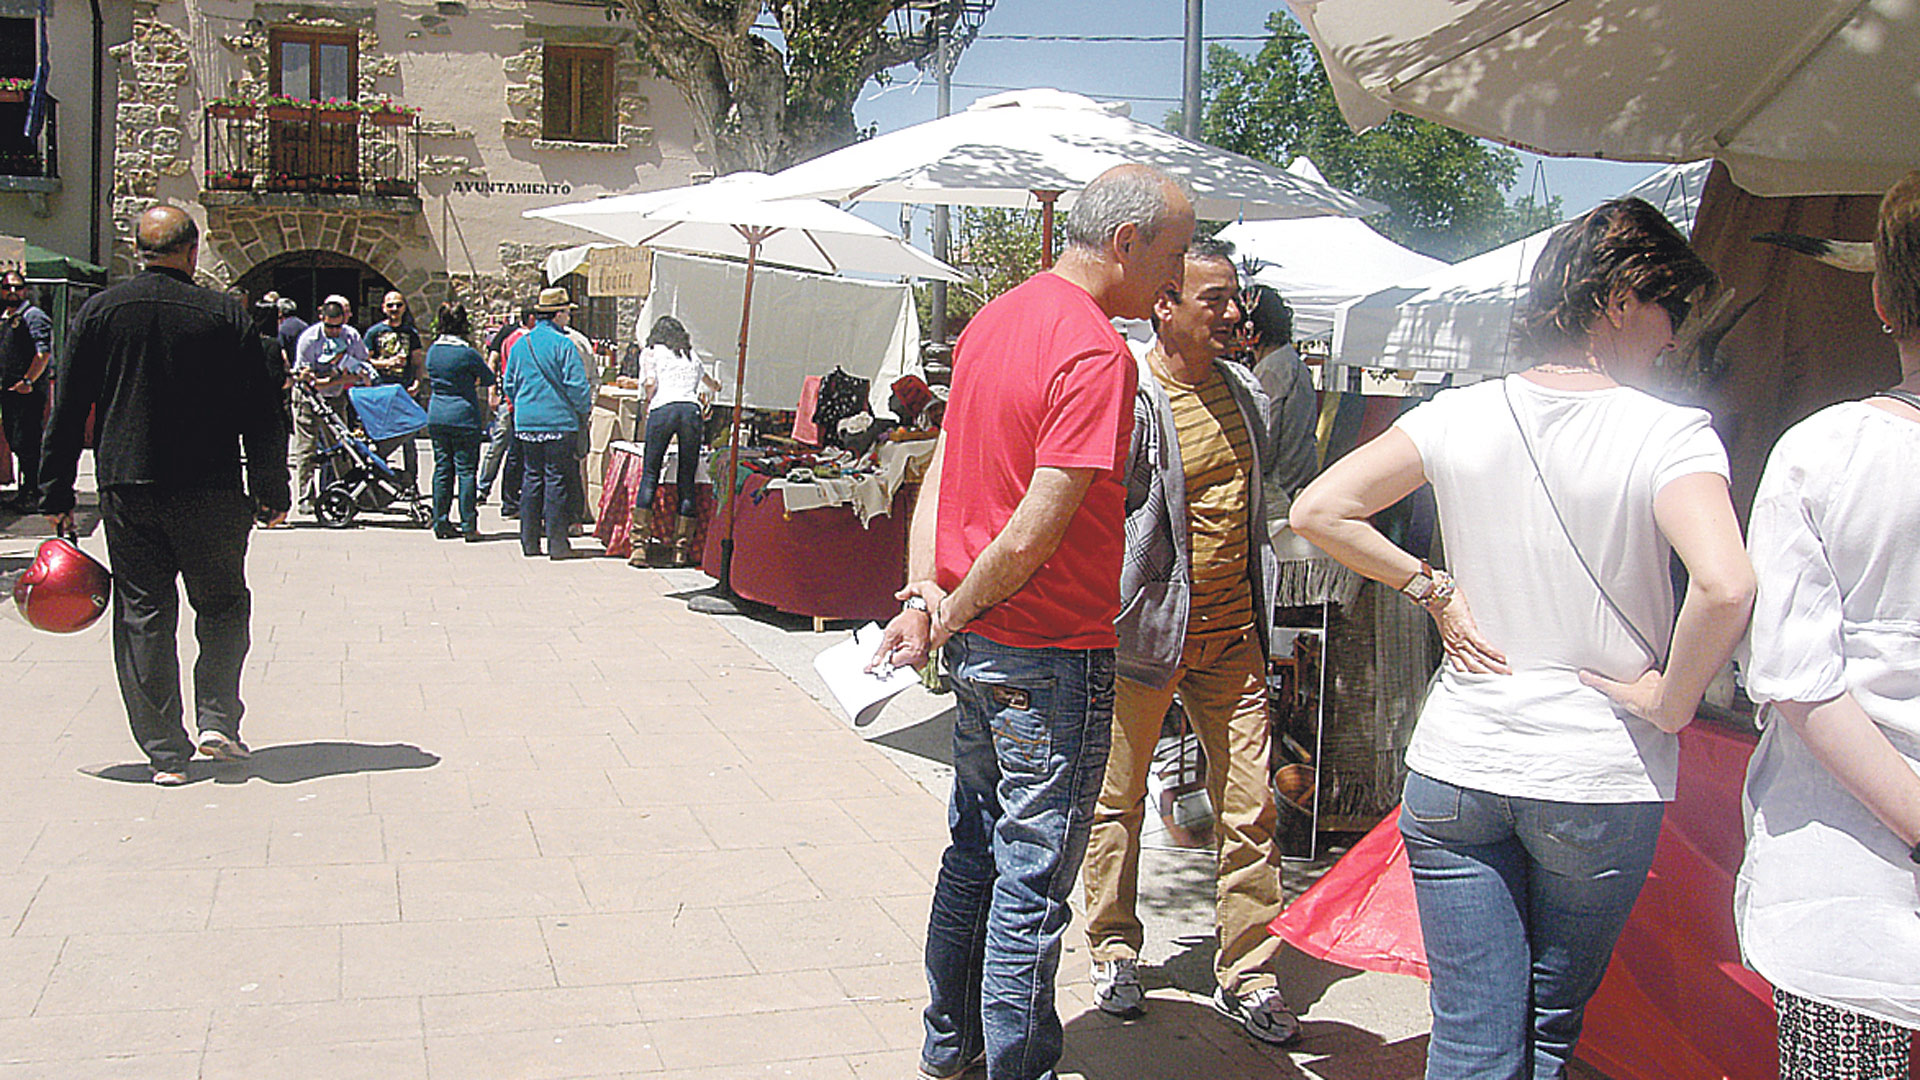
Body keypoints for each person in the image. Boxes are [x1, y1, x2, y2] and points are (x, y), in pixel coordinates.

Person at [1289, 197, 1755, 1080]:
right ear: (1620, 301)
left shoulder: (1458, 414)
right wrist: (1669, 698)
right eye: (1669, 311)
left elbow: (1320, 509)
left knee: (1468, 1035)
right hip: (1597, 770)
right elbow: (1727, 584)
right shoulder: (1670, 433)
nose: (1672, 338)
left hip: (1462, 762)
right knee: (1545, 1030)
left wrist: (1433, 589)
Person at [869, 163, 1196, 1080]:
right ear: (1125, 242)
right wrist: (944, 606)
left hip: (981, 646)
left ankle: (950, 1043)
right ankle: (1015, 1063)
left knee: (973, 850)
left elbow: (943, 474)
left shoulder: (994, 319)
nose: (1176, 278)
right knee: (1032, 880)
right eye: (1172, 254)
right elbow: (1033, 532)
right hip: (1048, 651)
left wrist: (924, 598)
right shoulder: (1094, 351)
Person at [1079, 238, 1299, 1045]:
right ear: (1164, 303)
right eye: (1217, 300)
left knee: (1252, 807)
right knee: (1117, 802)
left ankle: (1248, 968)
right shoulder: (1129, 391)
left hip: (1233, 639)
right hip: (1142, 639)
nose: (1235, 314)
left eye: (1237, 300)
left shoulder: (1246, 395)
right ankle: (1112, 946)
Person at [1738, 171, 1920, 1079]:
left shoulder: (1823, 450)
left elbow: (1796, 676)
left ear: (1883, 303)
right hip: (1845, 894)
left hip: (1842, 876)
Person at [37, 205, 290, 785]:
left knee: (144, 614)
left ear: (138, 249)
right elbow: (262, 411)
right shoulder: (227, 315)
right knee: (224, 605)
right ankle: (218, 719)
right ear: (193, 251)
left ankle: (165, 752)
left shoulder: (101, 311)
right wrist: (271, 488)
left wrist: (54, 492)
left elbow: (69, 404)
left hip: (130, 485)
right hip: (212, 487)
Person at [502, 287, 591, 559]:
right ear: (558, 314)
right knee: (556, 480)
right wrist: (583, 410)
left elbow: (509, 384)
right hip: (558, 422)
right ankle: (557, 543)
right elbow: (577, 386)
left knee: (531, 478)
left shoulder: (520, 345)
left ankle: (529, 542)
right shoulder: (564, 345)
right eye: (566, 313)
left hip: (527, 422)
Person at [626, 315, 717, 567]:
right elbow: (709, 383)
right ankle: (681, 549)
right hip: (690, 410)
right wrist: (716, 386)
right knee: (686, 478)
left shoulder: (651, 352)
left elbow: (651, 383)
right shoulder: (689, 354)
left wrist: (647, 404)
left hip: (663, 408)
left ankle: (639, 547)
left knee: (650, 474)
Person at [289, 295, 374, 513]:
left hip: (335, 397)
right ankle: (306, 498)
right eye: (330, 326)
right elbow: (306, 377)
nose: (334, 331)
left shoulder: (350, 336)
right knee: (306, 448)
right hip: (308, 398)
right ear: (321, 317)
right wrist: (335, 378)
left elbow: (361, 366)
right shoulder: (309, 338)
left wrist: (343, 378)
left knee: (341, 445)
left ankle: (345, 491)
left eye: (338, 327)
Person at [1242, 284, 1321, 517]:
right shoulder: (1291, 363)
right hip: (1297, 484)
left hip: (1277, 493)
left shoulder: (1272, 370)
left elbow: (1264, 441)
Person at [423, 301, 494, 541]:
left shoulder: (433, 351)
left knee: (442, 469)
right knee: (466, 471)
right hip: (463, 414)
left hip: (437, 413)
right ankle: (468, 524)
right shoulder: (467, 353)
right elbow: (487, 377)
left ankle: (440, 521)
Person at [0, 269, 53, 512]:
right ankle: (25, 491)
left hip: (28, 394)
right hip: (10, 392)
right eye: (8, 287)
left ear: (25, 289)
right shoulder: (6, 318)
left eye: (18, 287)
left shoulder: (33, 316)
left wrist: (28, 381)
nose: (13, 292)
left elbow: (43, 354)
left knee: (29, 443)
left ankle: (35, 492)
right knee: (17, 442)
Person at [479, 305, 535, 510]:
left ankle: (506, 495)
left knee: (512, 449)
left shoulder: (518, 337)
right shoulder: (514, 336)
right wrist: (492, 391)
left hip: (512, 398)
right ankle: (484, 488)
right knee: (502, 445)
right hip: (513, 400)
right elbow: (494, 363)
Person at [366, 290, 427, 477]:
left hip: (404, 390)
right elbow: (366, 361)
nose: (394, 309)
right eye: (390, 305)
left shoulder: (411, 333)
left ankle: (411, 480)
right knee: (382, 438)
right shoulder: (374, 332)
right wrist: (387, 363)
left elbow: (417, 361)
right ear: (384, 308)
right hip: (382, 390)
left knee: (409, 439)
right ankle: (381, 477)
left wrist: (417, 382)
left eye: (398, 305)